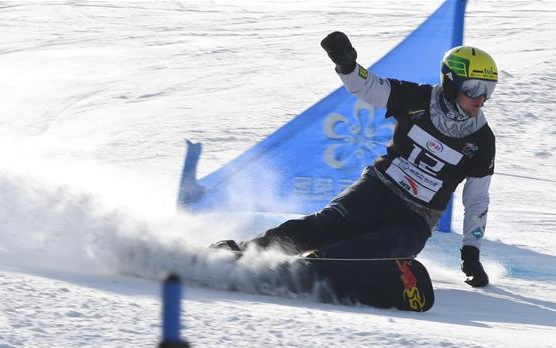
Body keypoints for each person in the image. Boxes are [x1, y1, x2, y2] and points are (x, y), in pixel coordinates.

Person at [212, 31, 497, 287]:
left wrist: (470, 253)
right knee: (325, 225)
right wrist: (348, 67)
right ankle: (246, 252)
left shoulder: (482, 140)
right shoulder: (417, 98)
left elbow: (477, 199)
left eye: (488, 90)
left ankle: (313, 267)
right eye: (474, 88)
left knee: (380, 246)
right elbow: (370, 88)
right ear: (450, 82)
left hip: (417, 218)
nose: (481, 98)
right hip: (377, 189)